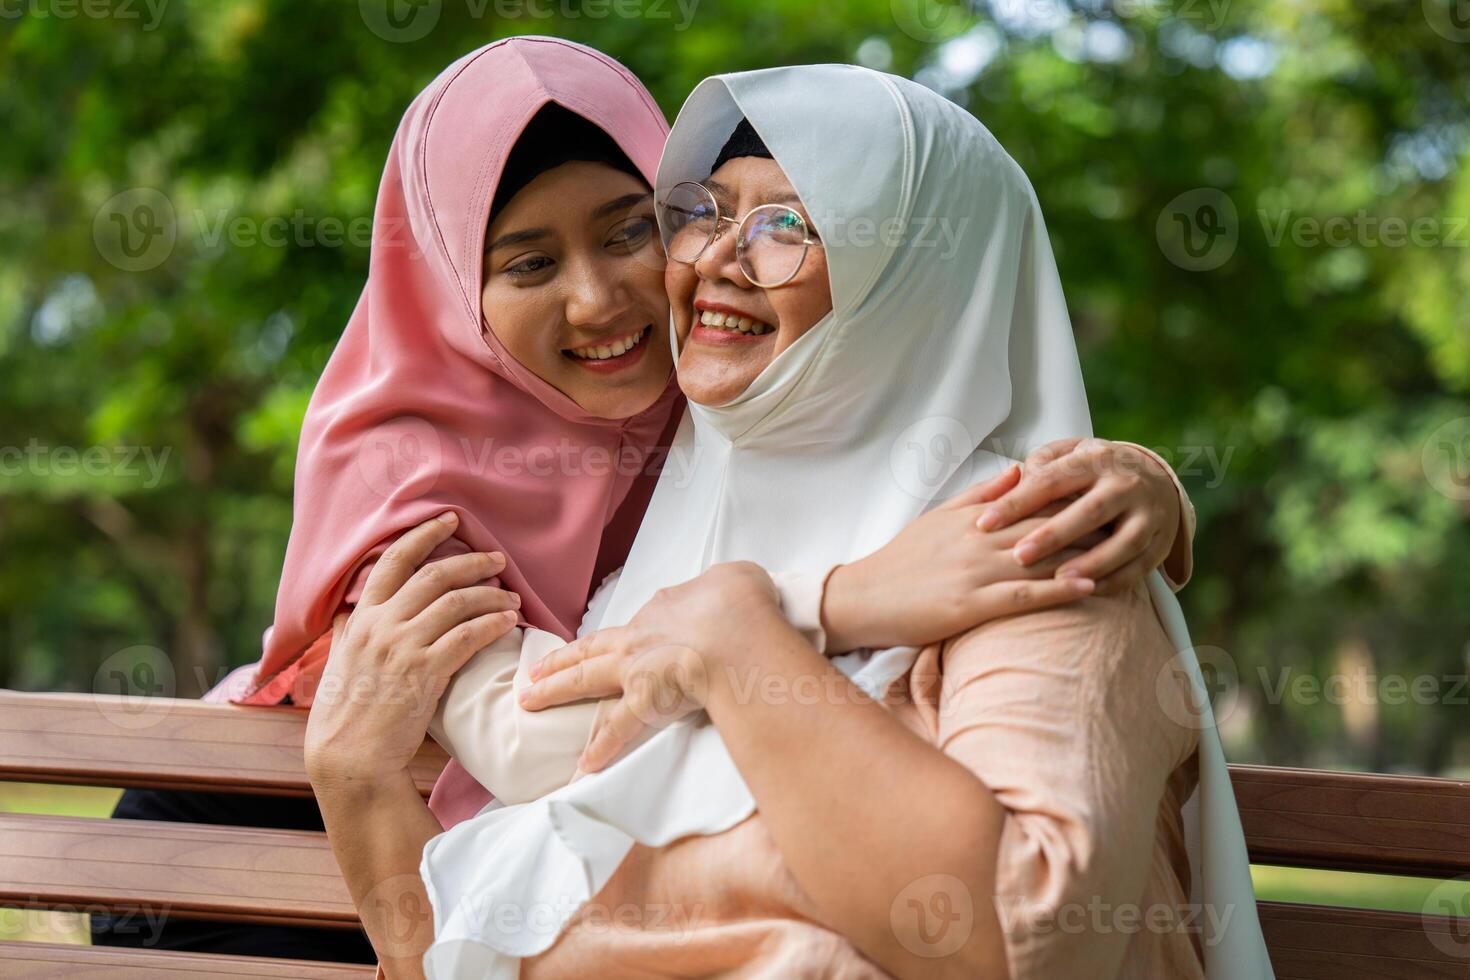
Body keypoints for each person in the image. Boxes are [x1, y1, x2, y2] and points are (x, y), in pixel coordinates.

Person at [98, 37, 1194, 966]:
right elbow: (540, 746)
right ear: (454, 291)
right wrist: (829, 603)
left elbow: (918, 369)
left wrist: (1147, 488)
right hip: (258, 832)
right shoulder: (411, 481)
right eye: (528, 264)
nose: (609, 293)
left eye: (632, 228)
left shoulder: (702, 423)